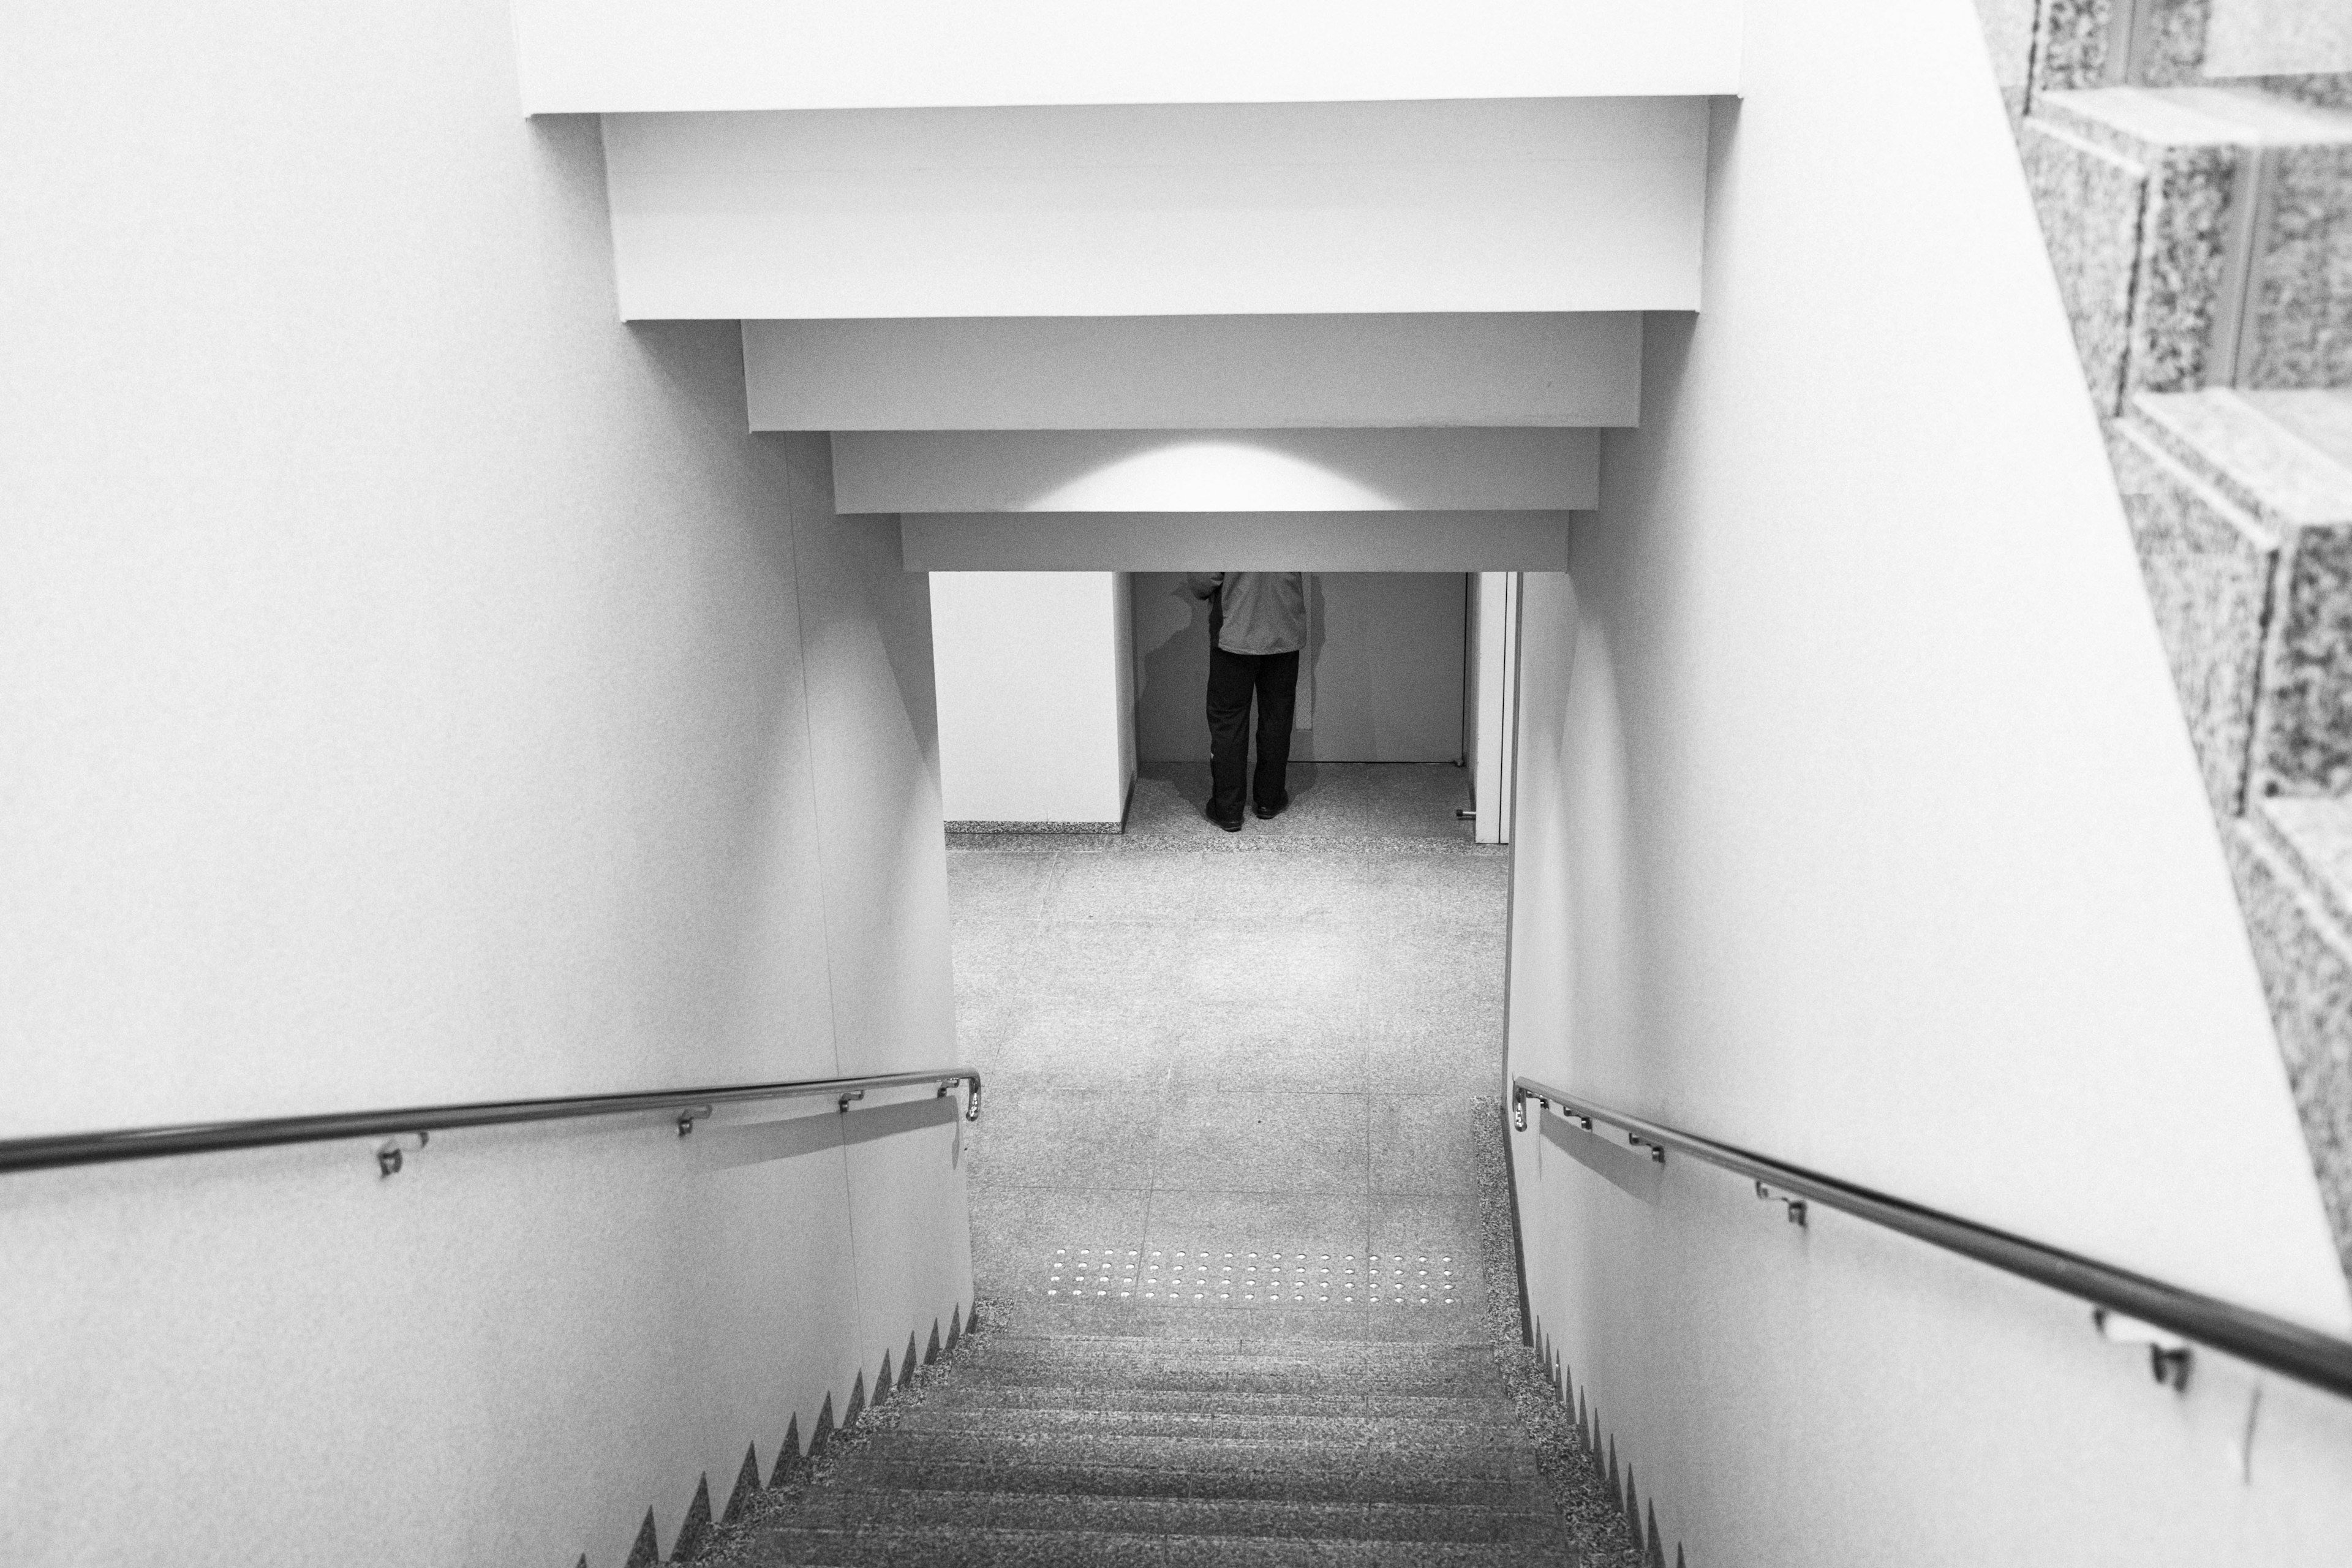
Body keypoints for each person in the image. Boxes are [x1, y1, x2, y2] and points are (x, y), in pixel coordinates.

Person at [1182, 571, 1306, 831]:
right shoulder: (1294, 528)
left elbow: (1203, 581)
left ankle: (1228, 810)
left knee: (1229, 721)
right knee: (1277, 717)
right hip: (1285, 628)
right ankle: (1269, 801)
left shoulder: (1226, 528)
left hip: (1234, 632)